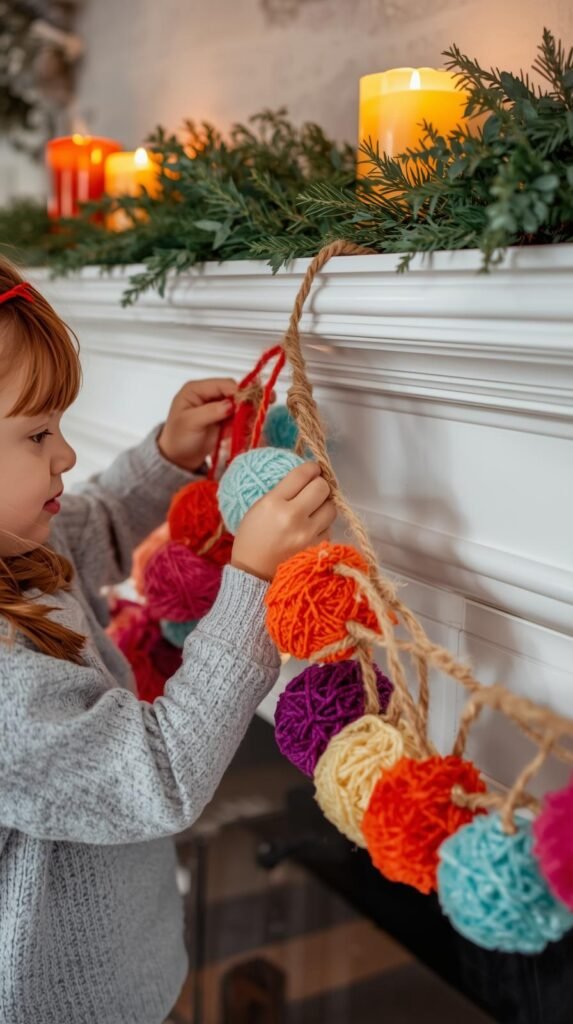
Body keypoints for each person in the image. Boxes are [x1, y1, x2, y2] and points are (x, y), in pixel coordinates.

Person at [0, 256, 336, 1024]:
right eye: (39, 433)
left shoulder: (18, 551)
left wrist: (167, 456)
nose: (66, 455)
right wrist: (251, 579)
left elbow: (96, 522)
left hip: (130, 974)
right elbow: (156, 774)